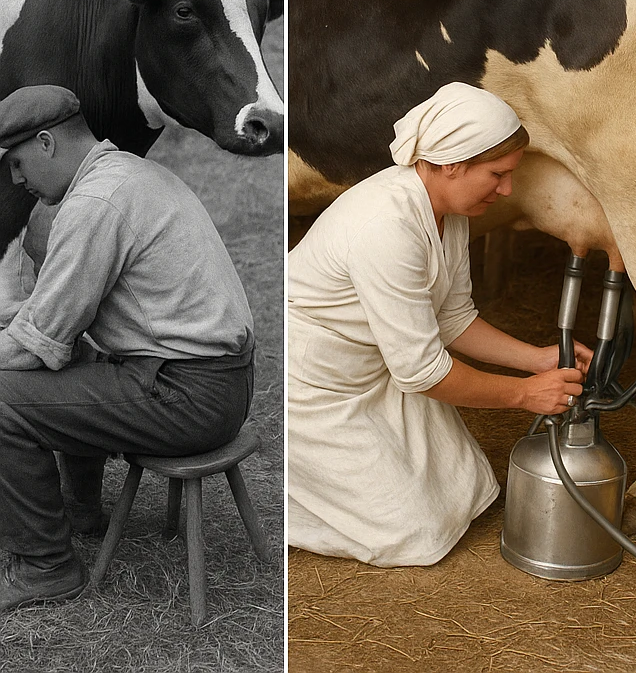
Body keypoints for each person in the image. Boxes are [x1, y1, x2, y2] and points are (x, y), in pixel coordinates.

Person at [288, 82, 590, 567]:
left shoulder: (450, 212)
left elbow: (452, 318)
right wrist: (524, 394)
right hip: (314, 388)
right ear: (451, 163)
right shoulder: (385, 226)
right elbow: (423, 373)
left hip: (379, 367)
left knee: (469, 490)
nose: (508, 189)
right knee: (417, 534)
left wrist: (538, 358)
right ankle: (293, 489)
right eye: (498, 174)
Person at [0, 84, 255, 612]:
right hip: (211, 378)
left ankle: (47, 567)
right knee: (72, 356)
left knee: (4, 397)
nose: (16, 179)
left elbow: (41, 341)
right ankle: (82, 509)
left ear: (46, 143)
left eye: (18, 162)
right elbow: (54, 315)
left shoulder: (95, 203)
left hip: (189, 395)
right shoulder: (124, 176)